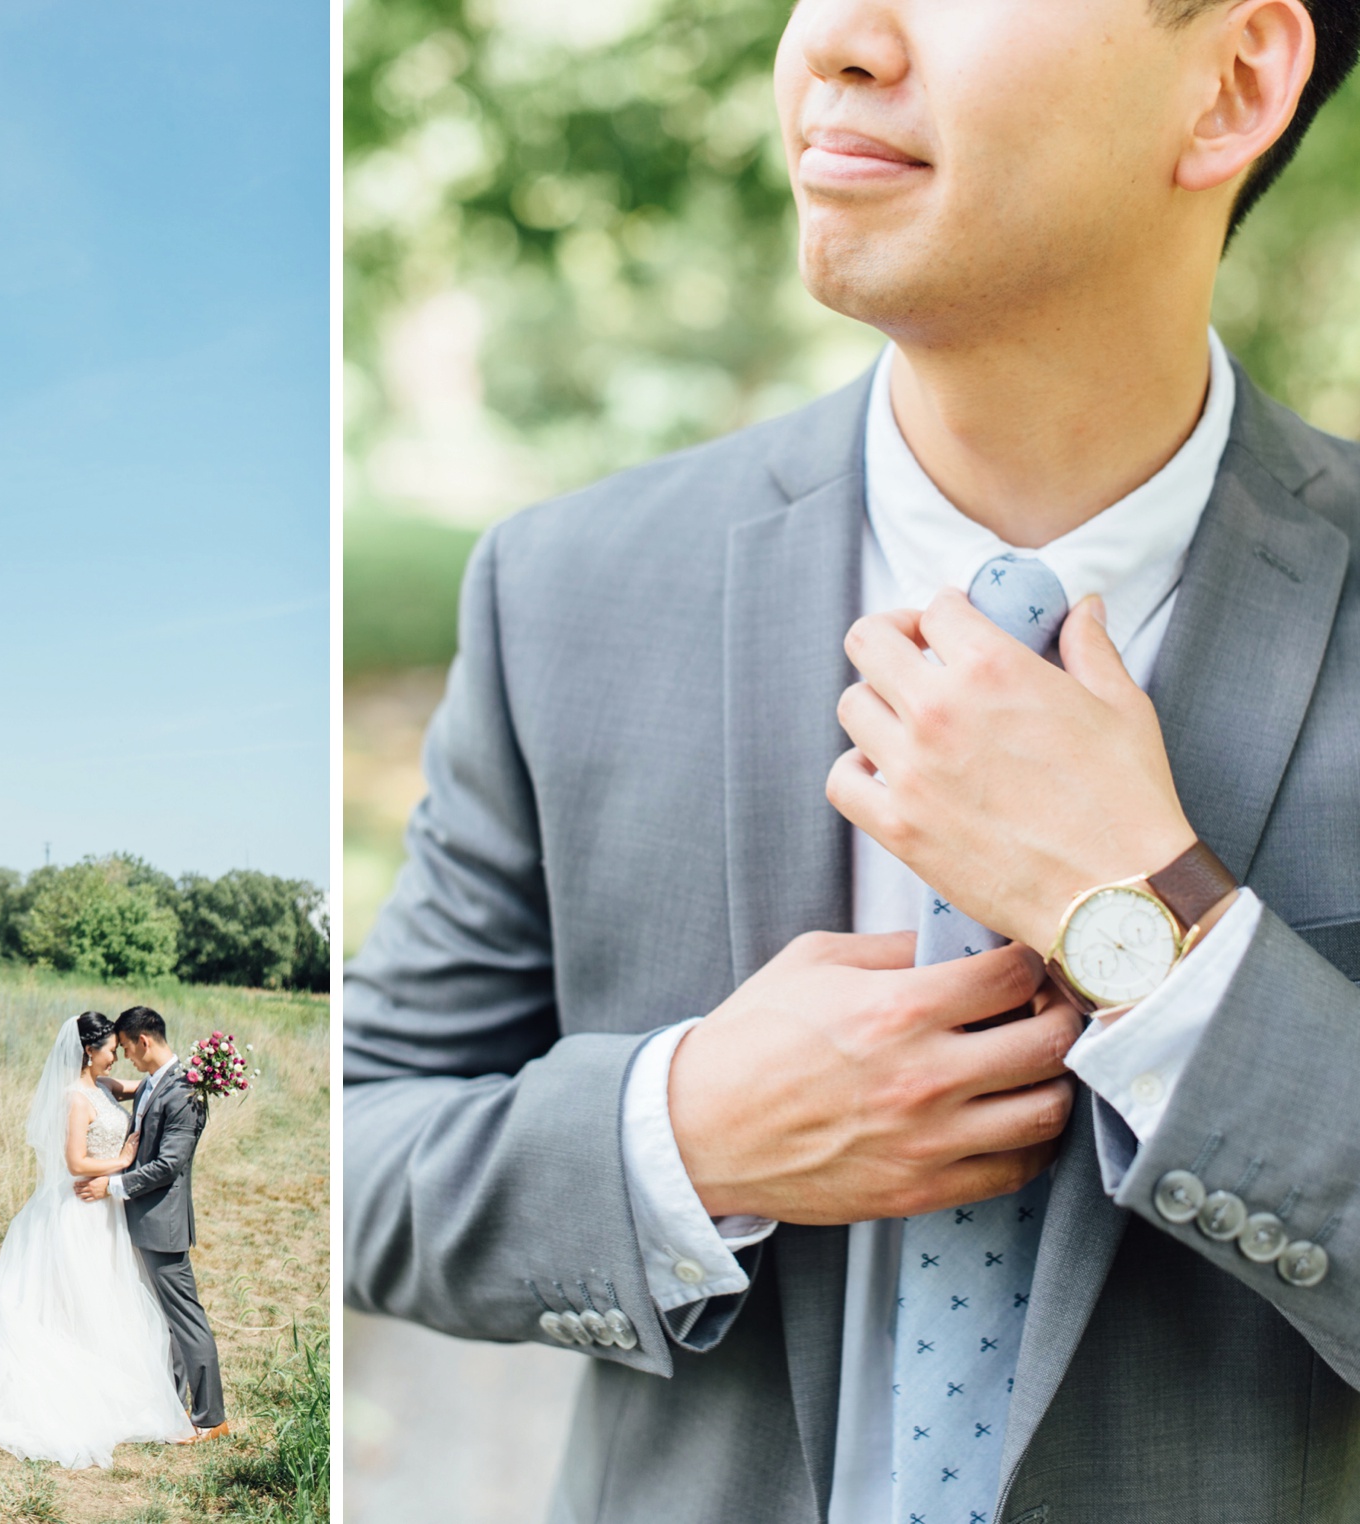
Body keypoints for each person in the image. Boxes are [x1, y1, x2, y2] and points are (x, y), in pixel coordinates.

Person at [343, 0, 1360, 1519]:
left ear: (1231, 84)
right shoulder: (568, 589)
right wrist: (683, 1136)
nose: (834, 38)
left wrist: (1155, 938)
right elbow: (354, 1140)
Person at [0, 1011, 194, 1466]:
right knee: (73, 1297)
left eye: (122, 1048)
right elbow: (75, 1163)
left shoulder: (105, 1088)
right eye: (112, 1049)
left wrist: (200, 1075)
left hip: (106, 1211)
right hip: (81, 1208)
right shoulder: (74, 1098)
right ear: (90, 1051)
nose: (118, 1056)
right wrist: (123, 1160)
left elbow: (152, 1084)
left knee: (104, 1295)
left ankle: (99, 1375)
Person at [76, 1005, 230, 1440]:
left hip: (162, 1223)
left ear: (143, 1042)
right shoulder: (154, 1083)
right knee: (164, 1319)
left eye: (126, 1047)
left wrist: (112, 1186)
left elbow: (168, 1165)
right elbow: (117, 1089)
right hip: (142, 1220)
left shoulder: (184, 1093)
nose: (124, 1056)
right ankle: (174, 1402)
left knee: (185, 1319)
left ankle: (211, 1418)